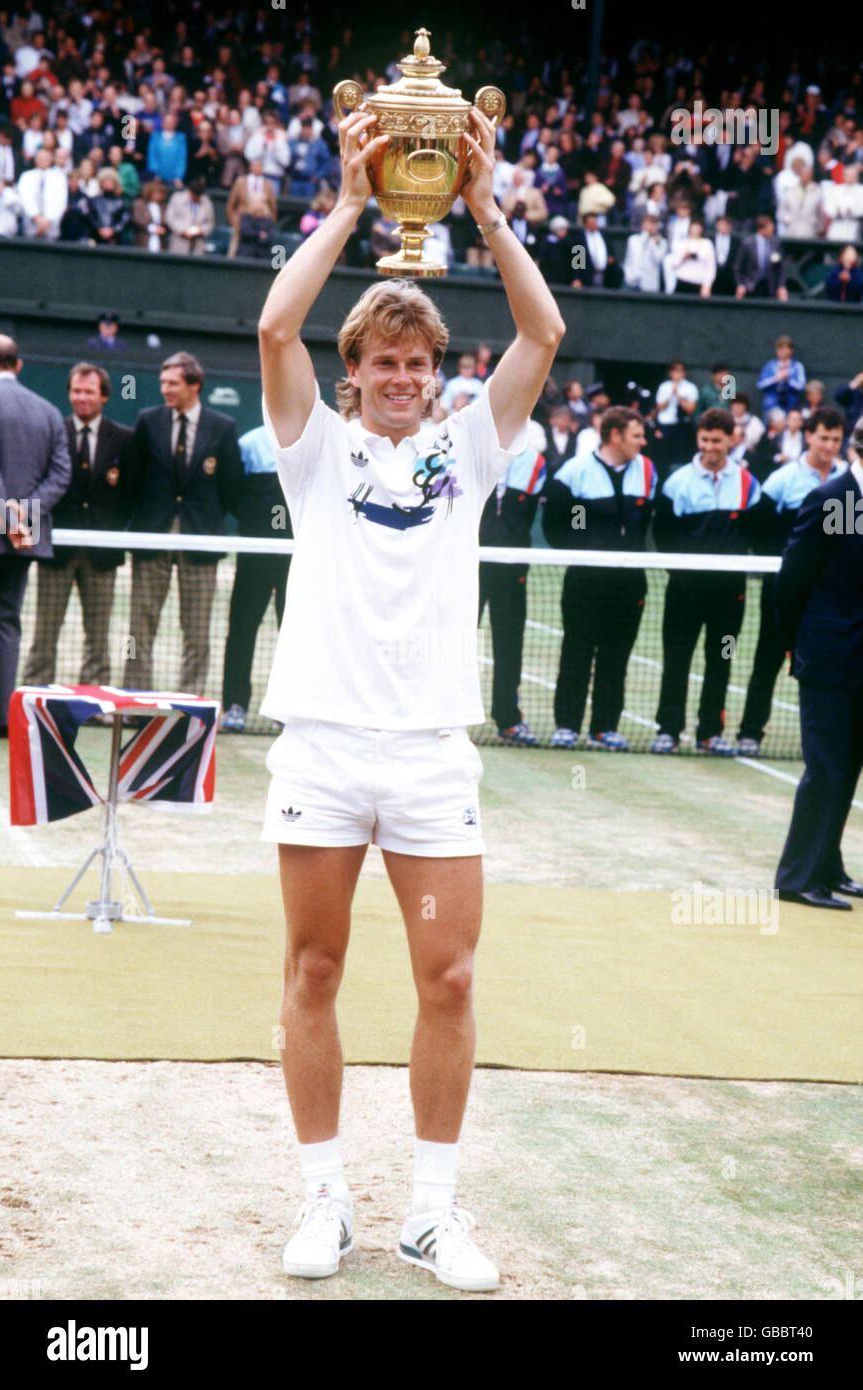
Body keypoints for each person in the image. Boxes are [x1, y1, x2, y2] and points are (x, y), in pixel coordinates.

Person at [257, 102, 564, 1290]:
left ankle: (431, 1212)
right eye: (382, 363)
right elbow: (277, 321)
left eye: (418, 363)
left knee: (448, 977)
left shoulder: (466, 450)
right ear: (355, 375)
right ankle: (323, 1197)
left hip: (432, 754)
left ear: (438, 376)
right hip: (323, 748)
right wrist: (346, 201)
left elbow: (542, 329)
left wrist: (483, 209)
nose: (400, 378)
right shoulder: (312, 448)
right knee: (314, 972)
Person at [773, 420, 863, 910]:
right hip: (828, 656)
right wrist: (794, 644)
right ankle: (796, 877)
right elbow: (793, 579)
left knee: (848, 767)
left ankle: (827, 867)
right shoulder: (833, 498)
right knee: (825, 769)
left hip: (857, 660)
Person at [122, 351, 241, 697]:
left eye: (172, 383)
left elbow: (231, 486)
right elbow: (134, 478)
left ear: (195, 386)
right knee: (139, 628)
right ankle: (135, 697)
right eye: (163, 382)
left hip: (200, 539)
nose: (165, 389)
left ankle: (191, 700)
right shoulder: (147, 421)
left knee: (197, 629)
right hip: (152, 535)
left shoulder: (223, 427)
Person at [543, 406, 656, 751]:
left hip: (630, 583)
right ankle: (567, 725)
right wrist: (584, 550)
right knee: (576, 651)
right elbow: (555, 527)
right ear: (615, 435)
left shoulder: (648, 472)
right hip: (585, 582)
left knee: (616, 655)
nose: (643, 441)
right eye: (637, 435)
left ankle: (605, 727)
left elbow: (651, 521)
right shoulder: (573, 472)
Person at [737, 408, 846, 757]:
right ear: (808, 436)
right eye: (823, 437)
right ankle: (750, 732)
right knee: (768, 657)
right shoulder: (782, 479)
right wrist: (787, 564)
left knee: (836, 663)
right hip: (785, 588)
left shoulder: (848, 481)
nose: (829, 445)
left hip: (831, 595)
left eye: (835, 439)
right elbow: (757, 528)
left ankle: (834, 739)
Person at [651, 408, 761, 756]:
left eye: (717, 440)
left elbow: (755, 532)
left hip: (730, 597)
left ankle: (710, 732)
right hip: (684, 594)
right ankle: (668, 730)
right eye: (705, 440)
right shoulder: (677, 483)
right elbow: (663, 535)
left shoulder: (748, 483)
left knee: (721, 660)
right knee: (677, 660)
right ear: (698, 439)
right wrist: (685, 574)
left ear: (731, 440)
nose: (711, 447)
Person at [22, 362, 134, 688]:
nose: (81, 397)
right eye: (76, 391)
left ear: (104, 396)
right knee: (45, 631)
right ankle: (37, 691)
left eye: (88, 391)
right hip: (55, 551)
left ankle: (93, 696)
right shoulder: (53, 430)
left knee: (97, 634)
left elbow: (131, 493)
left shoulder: (125, 439)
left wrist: (109, 529)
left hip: (103, 555)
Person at [0, 334, 71, 734]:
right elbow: (60, 476)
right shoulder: (48, 412)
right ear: (18, 365)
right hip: (22, 539)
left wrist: (6, 517)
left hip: (11, 532)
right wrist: (21, 517)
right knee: (6, 624)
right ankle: (0, 718)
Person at [220, 425, 292, 733]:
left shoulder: (314, 438)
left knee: (296, 633)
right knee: (241, 629)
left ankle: (289, 709)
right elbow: (232, 496)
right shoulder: (248, 444)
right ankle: (234, 705)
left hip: (297, 555)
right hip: (254, 555)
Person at [477, 434, 547, 745]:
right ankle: (445, 720)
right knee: (454, 643)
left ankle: (508, 718)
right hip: (467, 567)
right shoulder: (469, 450)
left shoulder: (535, 462)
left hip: (513, 568)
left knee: (509, 646)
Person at [652, 359, 698, 476]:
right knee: (662, 457)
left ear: (684, 373)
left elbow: (690, 409)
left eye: (680, 371)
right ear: (670, 373)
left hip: (681, 427)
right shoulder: (664, 387)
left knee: (679, 458)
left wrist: (678, 395)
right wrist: (670, 394)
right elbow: (659, 407)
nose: (677, 374)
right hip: (665, 426)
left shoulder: (690, 388)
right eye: (675, 371)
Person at [734, 215, 789, 301]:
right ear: (761, 229)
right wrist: (740, 284)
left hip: (770, 287)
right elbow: (738, 267)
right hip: (750, 287)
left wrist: (781, 286)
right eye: (770, 227)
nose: (772, 229)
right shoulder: (748, 244)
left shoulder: (776, 244)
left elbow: (782, 267)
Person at [757, 335, 806, 416]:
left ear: (791, 351)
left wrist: (788, 379)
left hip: (791, 403)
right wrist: (774, 379)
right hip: (772, 403)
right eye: (780, 349)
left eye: (785, 349)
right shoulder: (769, 365)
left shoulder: (797, 366)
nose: (782, 352)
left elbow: (801, 386)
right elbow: (760, 385)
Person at [164, 177, 214, 255]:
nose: (196, 197)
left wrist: (201, 230)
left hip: (198, 243)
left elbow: (210, 222)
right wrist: (183, 231)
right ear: (189, 191)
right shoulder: (177, 198)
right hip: (179, 241)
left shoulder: (206, 201)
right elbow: (170, 218)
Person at [622, 212, 666, 292]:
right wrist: (628, 274)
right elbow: (628, 259)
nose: (649, 227)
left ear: (657, 227)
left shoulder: (662, 242)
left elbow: (658, 260)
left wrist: (652, 243)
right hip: (631, 281)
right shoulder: (633, 239)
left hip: (649, 285)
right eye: (647, 224)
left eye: (652, 224)